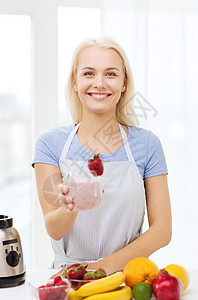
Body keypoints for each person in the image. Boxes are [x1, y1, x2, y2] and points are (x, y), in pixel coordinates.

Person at [32, 36, 172, 275]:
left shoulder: (147, 145)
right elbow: (54, 229)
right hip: (69, 278)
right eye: (88, 73)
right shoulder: (50, 145)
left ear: (124, 83)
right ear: (75, 82)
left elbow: (162, 230)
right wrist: (71, 206)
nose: (99, 83)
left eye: (110, 74)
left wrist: (98, 270)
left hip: (126, 278)